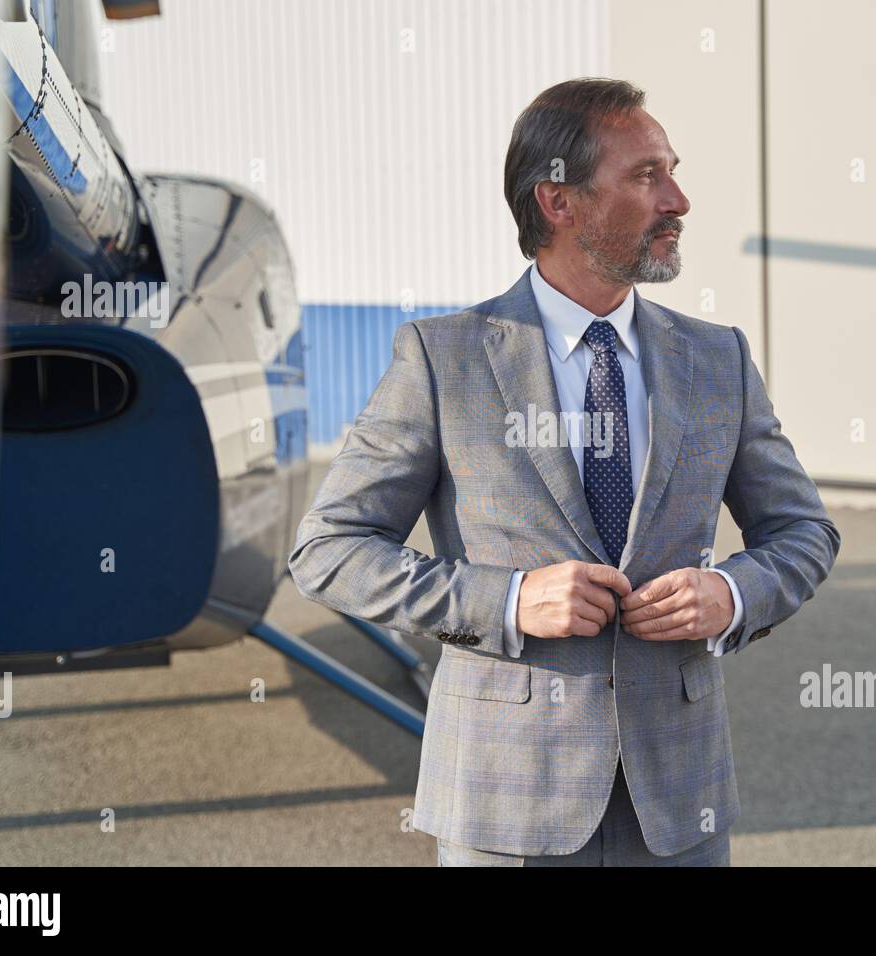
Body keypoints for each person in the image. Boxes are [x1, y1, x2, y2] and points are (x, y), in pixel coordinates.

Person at [289, 77, 841, 866]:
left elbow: (802, 531)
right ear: (559, 200)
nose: (677, 199)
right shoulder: (443, 359)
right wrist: (508, 599)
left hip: (681, 805)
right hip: (506, 803)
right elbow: (329, 550)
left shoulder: (719, 359)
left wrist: (731, 592)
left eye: (672, 171)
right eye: (647, 175)